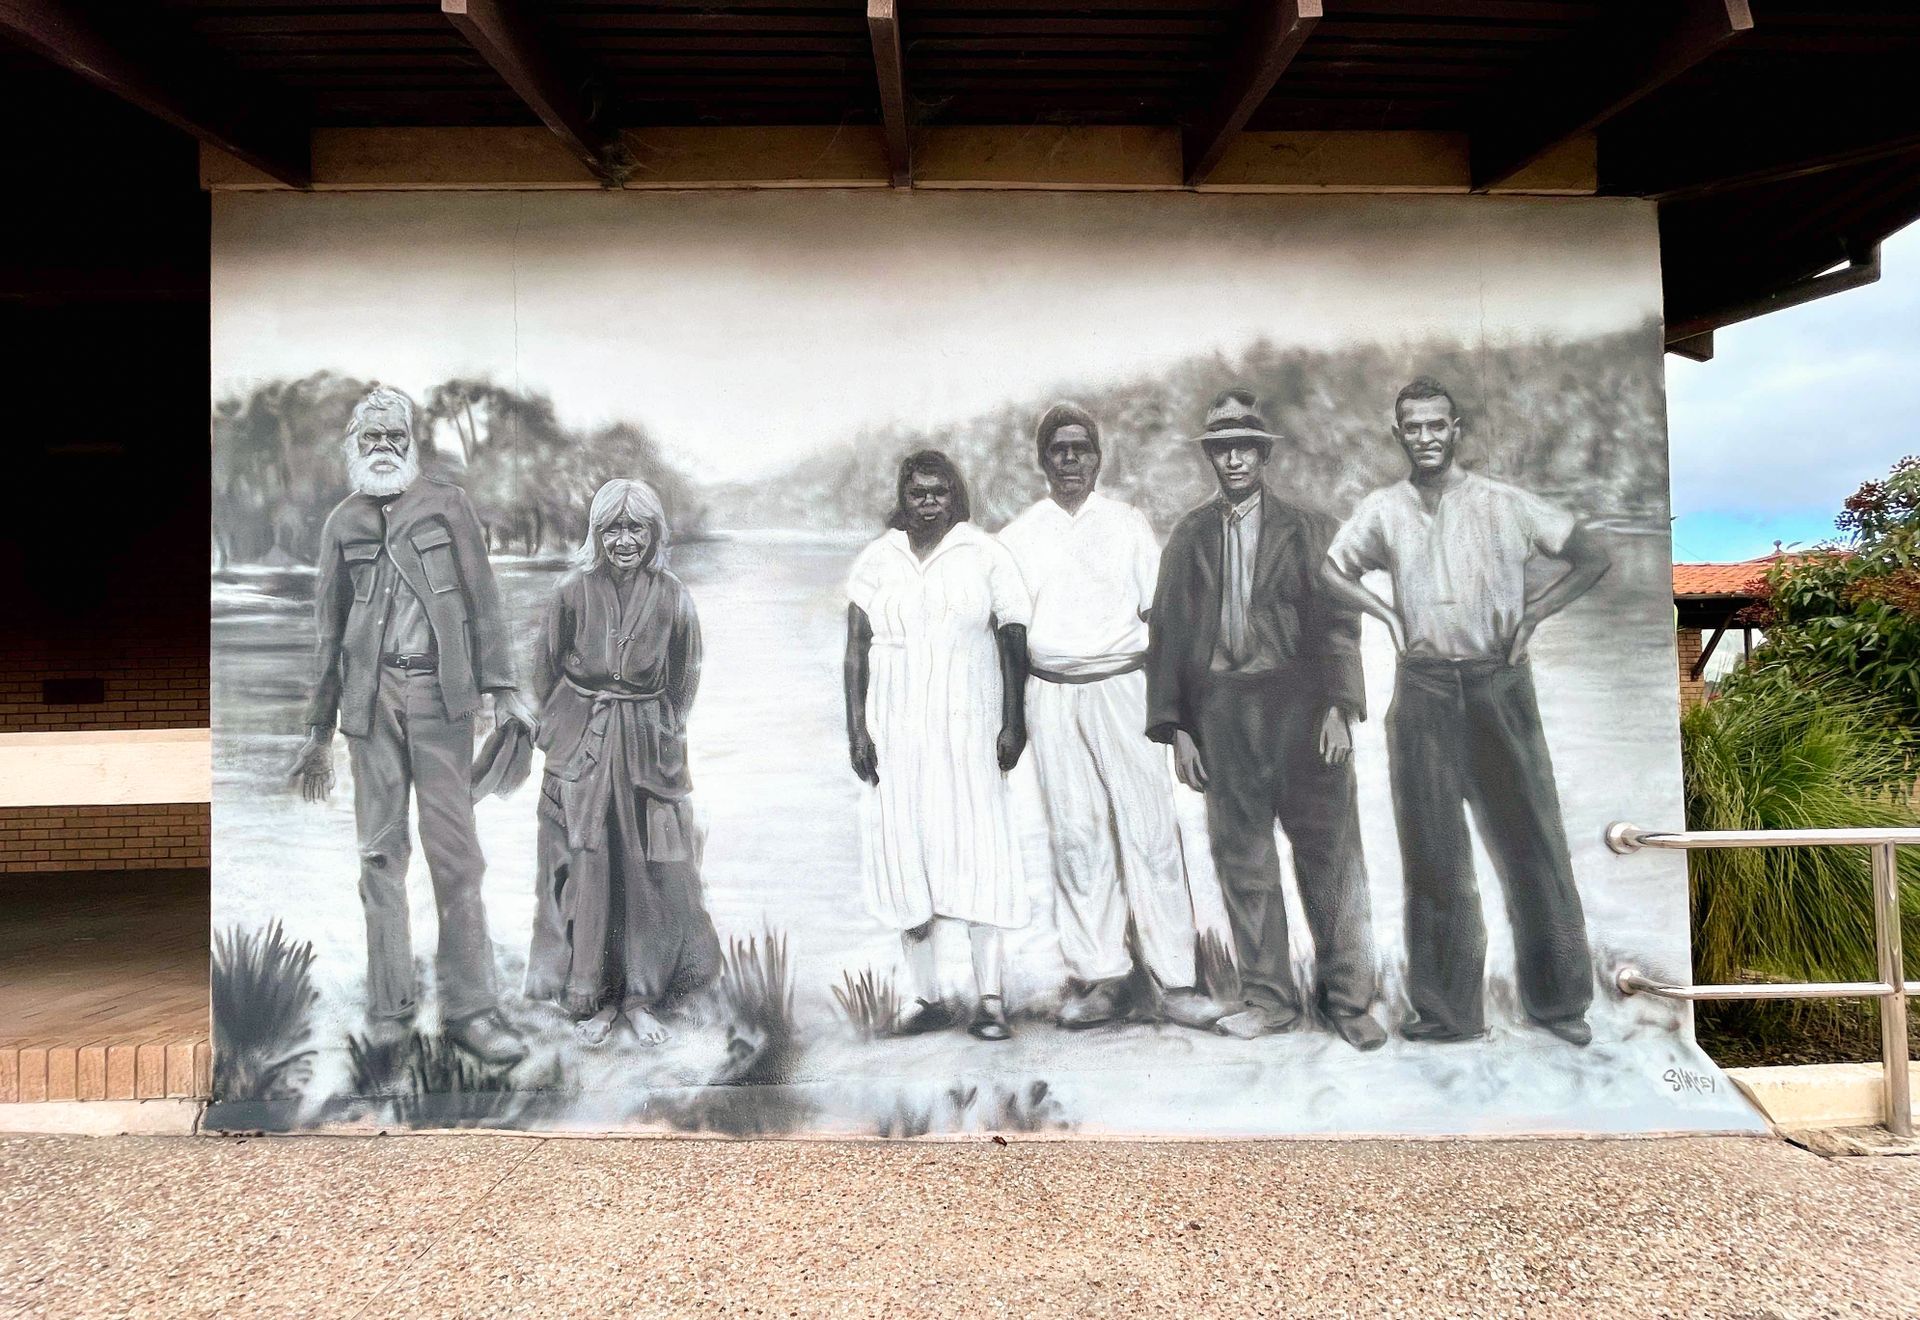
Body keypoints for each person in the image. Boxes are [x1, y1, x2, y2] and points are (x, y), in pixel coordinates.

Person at [1320, 376, 1610, 1047]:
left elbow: (1592, 554)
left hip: (1498, 685)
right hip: (1421, 690)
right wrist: (1388, 614)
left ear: (1457, 430)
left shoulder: (1503, 503)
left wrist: (1534, 613)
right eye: (1412, 427)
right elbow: (1331, 569)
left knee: (1532, 842)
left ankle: (1560, 1003)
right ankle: (1448, 1013)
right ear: (1399, 435)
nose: (1425, 437)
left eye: (1436, 425)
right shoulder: (1383, 509)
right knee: (1435, 854)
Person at [287, 385, 532, 1065]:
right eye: (373, 438)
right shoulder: (342, 522)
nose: (386, 448)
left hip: (442, 698)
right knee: (379, 856)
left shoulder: (449, 504)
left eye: (396, 436)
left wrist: (505, 691)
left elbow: (484, 602)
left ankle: (472, 1012)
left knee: (457, 858)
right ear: (353, 447)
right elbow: (326, 634)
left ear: (413, 444)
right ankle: (391, 1012)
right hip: (370, 704)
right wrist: (316, 732)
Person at [1145, 389, 1385, 1049]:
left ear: (1262, 453)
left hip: (1302, 710)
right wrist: (1179, 730)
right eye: (1222, 450)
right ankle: (1271, 1000)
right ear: (1212, 458)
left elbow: (1340, 623)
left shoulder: (1308, 528)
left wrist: (1341, 707)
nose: (1233, 460)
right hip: (1223, 711)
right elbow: (1166, 635)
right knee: (1242, 860)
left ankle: (1350, 1002)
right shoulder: (1191, 536)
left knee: (1329, 855)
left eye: (1244, 447)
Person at [998, 404, 1224, 1031]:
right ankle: (1103, 977)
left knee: (1150, 831)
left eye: (1081, 449)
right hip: (1051, 693)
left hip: (1123, 686)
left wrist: (1179, 717)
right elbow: (1009, 636)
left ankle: (1177, 980)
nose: (1070, 461)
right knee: (1076, 837)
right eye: (1058, 451)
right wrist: (1010, 719)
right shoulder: (1018, 536)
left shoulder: (1127, 525)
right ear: (1043, 460)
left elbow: (1164, 622)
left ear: (1098, 458)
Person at [524, 479, 721, 1047]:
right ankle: (593, 995)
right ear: (597, 532)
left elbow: (687, 672)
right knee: (588, 864)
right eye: (613, 527)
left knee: (649, 868)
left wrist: (663, 725)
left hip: (646, 747)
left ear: (654, 533)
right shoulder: (570, 592)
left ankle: (640, 997)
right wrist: (565, 728)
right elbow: (545, 669)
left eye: (636, 528)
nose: (624, 539)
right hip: (582, 742)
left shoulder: (673, 594)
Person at [844, 450, 1032, 1042]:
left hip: (967, 731)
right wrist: (857, 728)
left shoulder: (985, 553)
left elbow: (1013, 640)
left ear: (956, 496)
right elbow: (855, 648)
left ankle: (990, 999)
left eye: (939, 492)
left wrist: (1013, 722)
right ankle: (926, 999)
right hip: (897, 735)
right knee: (907, 858)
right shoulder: (879, 559)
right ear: (902, 498)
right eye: (917, 493)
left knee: (979, 853)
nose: (928, 503)